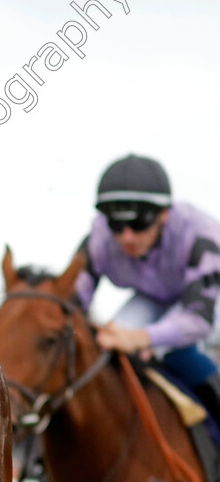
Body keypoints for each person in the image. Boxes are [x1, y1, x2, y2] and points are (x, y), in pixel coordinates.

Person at [75, 154, 220, 427]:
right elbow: (71, 304)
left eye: (139, 223)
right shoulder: (99, 237)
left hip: (209, 303)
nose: (127, 236)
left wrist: (144, 338)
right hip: (152, 298)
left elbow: (198, 320)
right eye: (117, 225)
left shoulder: (201, 235)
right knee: (109, 345)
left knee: (173, 349)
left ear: (164, 213)